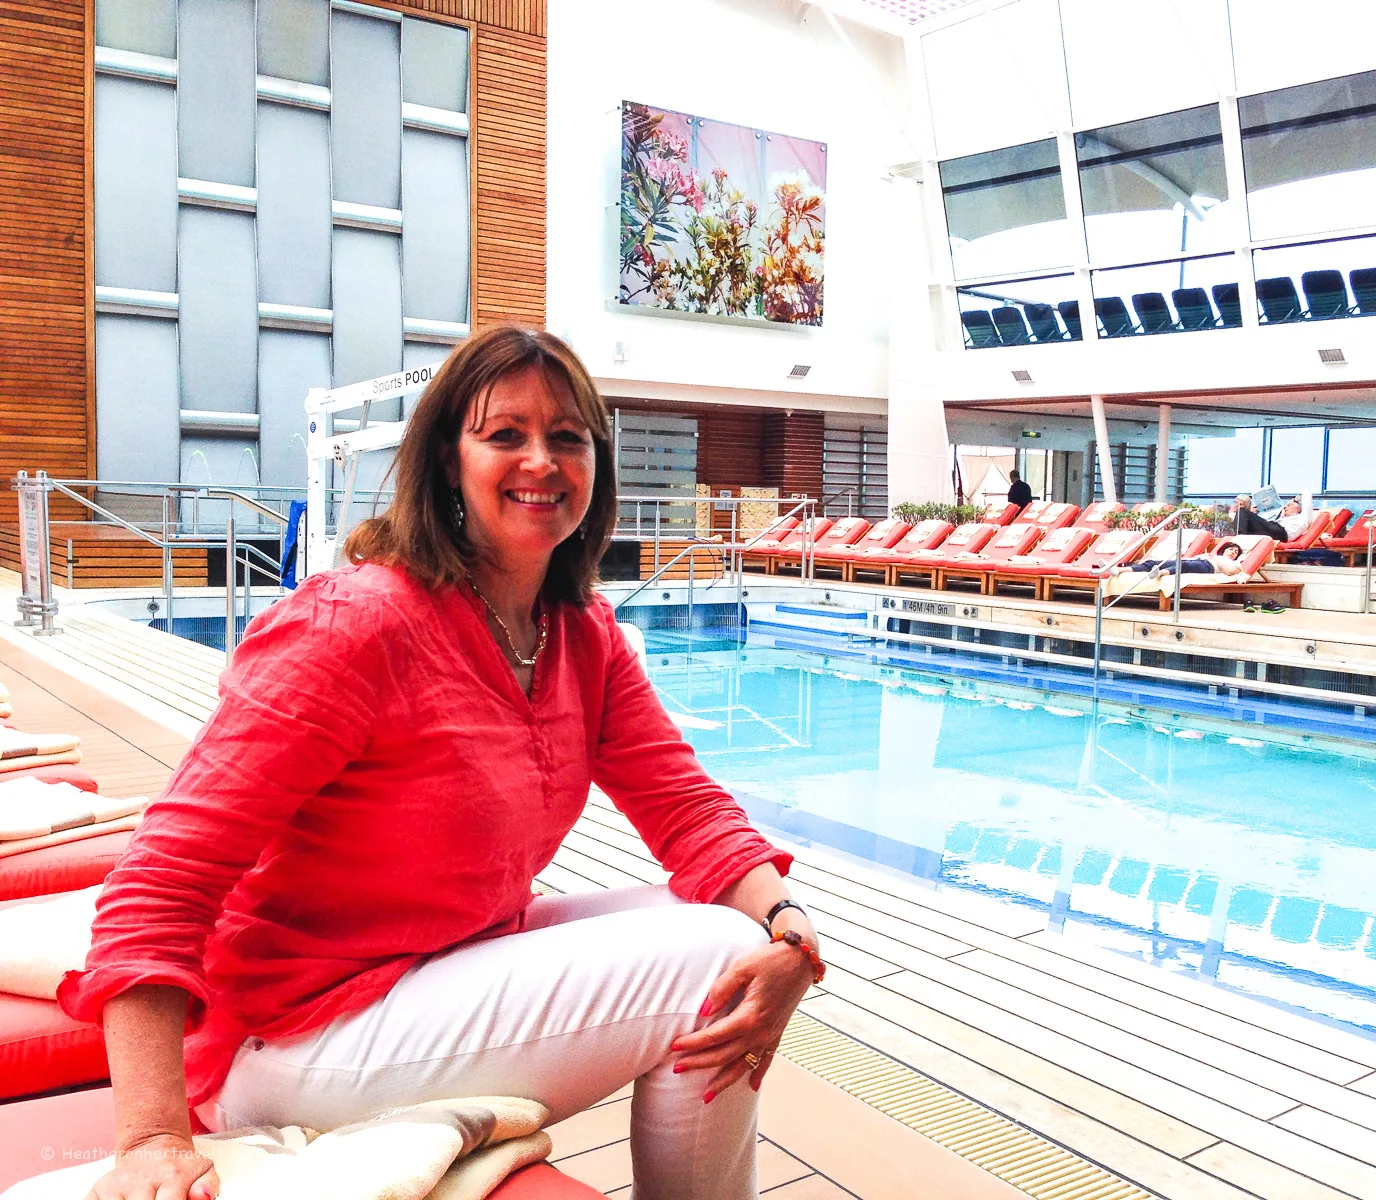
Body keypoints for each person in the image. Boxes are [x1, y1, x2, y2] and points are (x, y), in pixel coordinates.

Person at [60, 326, 821, 1200]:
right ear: (447, 462)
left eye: (568, 437)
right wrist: (151, 1138)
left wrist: (792, 932)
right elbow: (163, 877)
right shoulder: (358, 626)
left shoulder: (581, 637)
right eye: (505, 435)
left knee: (737, 929)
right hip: (295, 1037)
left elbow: (687, 809)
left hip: (438, 967)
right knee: (710, 959)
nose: (541, 460)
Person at [1115, 541, 1246, 576]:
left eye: (1236, 552)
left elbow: (1229, 571)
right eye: (1231, 549)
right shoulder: (1213, 555)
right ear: (1224, 550)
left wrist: (1214, 559)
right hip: (1199, 560)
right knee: (1152, 562)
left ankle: (1160, 573)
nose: (1233, 553)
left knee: (1183, 566)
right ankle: (1119, 570)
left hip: (1209, 567)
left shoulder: (1235, 564)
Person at [1232, 494, 1308, 543]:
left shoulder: (1302, 519)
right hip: (1273, 529)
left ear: (1298, 509)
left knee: (1242, 511)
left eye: (1289, 505)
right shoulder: (1285, 518)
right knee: (1246, 518)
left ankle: (1240, 539)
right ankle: (1241, 538)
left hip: (1280, 532)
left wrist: (1295, 499)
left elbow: (1307, 494)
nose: (1285, 507)